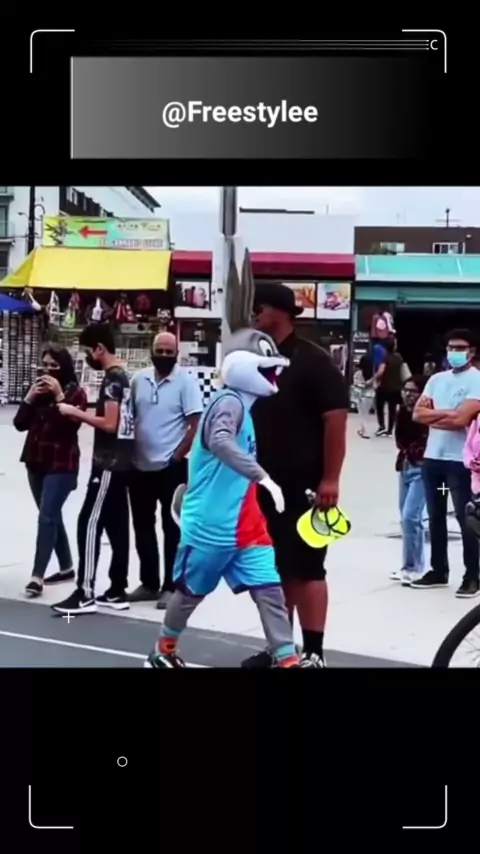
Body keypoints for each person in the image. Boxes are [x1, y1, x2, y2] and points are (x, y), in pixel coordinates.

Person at [146, 247, 300, 669]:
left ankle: (287, 659)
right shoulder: (228, 403)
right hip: (212, 524)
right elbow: (218, 441)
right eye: (267, 366)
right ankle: (163, 651)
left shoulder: (246, 406)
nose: (275, 374)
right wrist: (262, 475)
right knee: (190, 593)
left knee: (269, 591)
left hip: (246, 524)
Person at [241, 282, 349, 669]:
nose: (255, 313)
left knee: (307, 567)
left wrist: (330, 479)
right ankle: (281, 649)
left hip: (306, 484)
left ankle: (314, 652)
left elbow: (336, 421)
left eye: (261, 306)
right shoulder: (257, 360)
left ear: (282, 311)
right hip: (264, 484)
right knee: (274, 570)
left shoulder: (314, 361)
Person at [52, 323, 134, 614]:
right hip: (120, 462)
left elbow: (110, 424)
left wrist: (76, 412)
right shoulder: (122, 377)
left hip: (108, 464)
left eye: (88, 350)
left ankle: (85, 591)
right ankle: (117, 589)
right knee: (117, 525)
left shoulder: (113, 380)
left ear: (99, 348)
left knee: (88, 522)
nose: (87, 356)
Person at [128, 331, 203, 608]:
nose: (163, 356)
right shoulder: (139, 380)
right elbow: (129, 416)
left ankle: (171, 586)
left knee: (172, 528)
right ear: (151, 351)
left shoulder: (186, 382)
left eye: (168, 352)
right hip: (139, 465)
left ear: (176, 354)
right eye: (159, 351)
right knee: (142, 525)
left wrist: (178, 455)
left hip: (172, 467)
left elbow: (195, 424)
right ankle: (149, 583)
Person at [13, 344, 87, 598]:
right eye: (44, 365)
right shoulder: (38, 391)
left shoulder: (76, 393)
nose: (47, 371)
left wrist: (58, 396)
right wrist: (29, 398)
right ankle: (66, 566)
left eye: (53, 366)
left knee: (46, 516)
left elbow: (69, 427)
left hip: (62, 463)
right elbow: (19, 424)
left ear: (64, 367)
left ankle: (37, 576)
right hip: (36, 460)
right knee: (51, 514)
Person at [412, 329, 480, 598]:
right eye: (451, 347)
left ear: (471, 351)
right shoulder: (436, 380)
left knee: (466, 519)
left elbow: (462, 420)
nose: (454, 352)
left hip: (459, 463)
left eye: (460, 348)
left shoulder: (476, 380)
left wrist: (435, 415)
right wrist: (449, 414)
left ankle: (472, 575)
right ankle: (438, 570)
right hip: (434, 460)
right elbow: (417, 414)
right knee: (435, 515)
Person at [390, 375, 429, 586]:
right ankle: (409, 565)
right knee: (407, 518)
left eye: (413, 391)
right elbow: (399, 440)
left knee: (411, 517)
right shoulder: (402, 412)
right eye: (405, 390)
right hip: (405, 466)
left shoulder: (427, 415)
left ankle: (415, 567)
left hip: (422, 468)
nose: (407, 395)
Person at [373, 338, 405, 437]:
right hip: (396, 387)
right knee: (392, 408)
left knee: (379, 406)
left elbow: (380, 372)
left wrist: (372, 380)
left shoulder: (385, 358)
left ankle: (382, 426)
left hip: (384, 387)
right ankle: (390, 430)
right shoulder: (399, 358)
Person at [353, 353, 375, 439]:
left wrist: (362, 384)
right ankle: (362, 430)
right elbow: (375, 385)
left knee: (362, 415)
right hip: (370, 395)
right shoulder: (373, 374)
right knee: (366, 414)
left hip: (361, 395)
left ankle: (366, 432)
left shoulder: (358, 373)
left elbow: (356, 384)